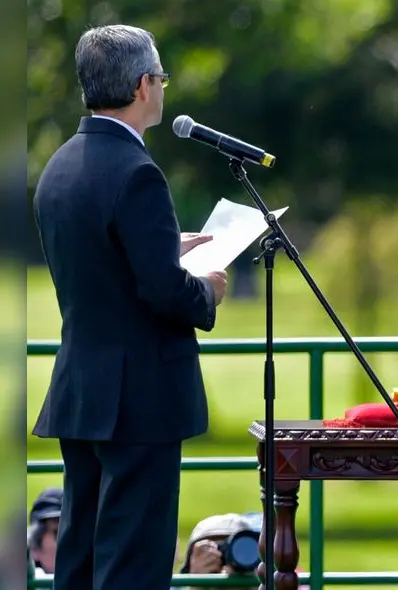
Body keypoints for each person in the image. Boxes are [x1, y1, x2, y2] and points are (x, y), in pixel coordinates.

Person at [31, 24, 228, 590]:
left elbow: (102, 265)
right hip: (139, 396)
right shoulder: (137, 171)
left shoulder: (60, 166)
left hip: (83, 389)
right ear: (144, 84)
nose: (162, 88)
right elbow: (163, 292)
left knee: (84, 554)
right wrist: (207, 290)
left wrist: (162, 246)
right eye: (161, 77)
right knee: (134, 562)